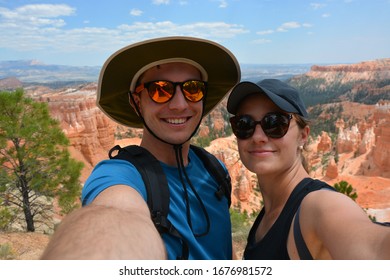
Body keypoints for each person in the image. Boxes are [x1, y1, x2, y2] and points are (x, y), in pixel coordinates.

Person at [41, 36, 241, 260]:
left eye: (192, 89)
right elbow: (114, 217)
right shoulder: (120, 175)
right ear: (136, 102)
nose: (179, 104)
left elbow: (222, 245)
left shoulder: (215, 169)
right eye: (160, 90)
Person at [226, 78, 390, 260]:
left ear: (303, 136)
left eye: (275, 123)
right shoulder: (266, 217)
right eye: (244, 124)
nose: (258, 137)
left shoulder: (318, 206)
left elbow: (374, 249)